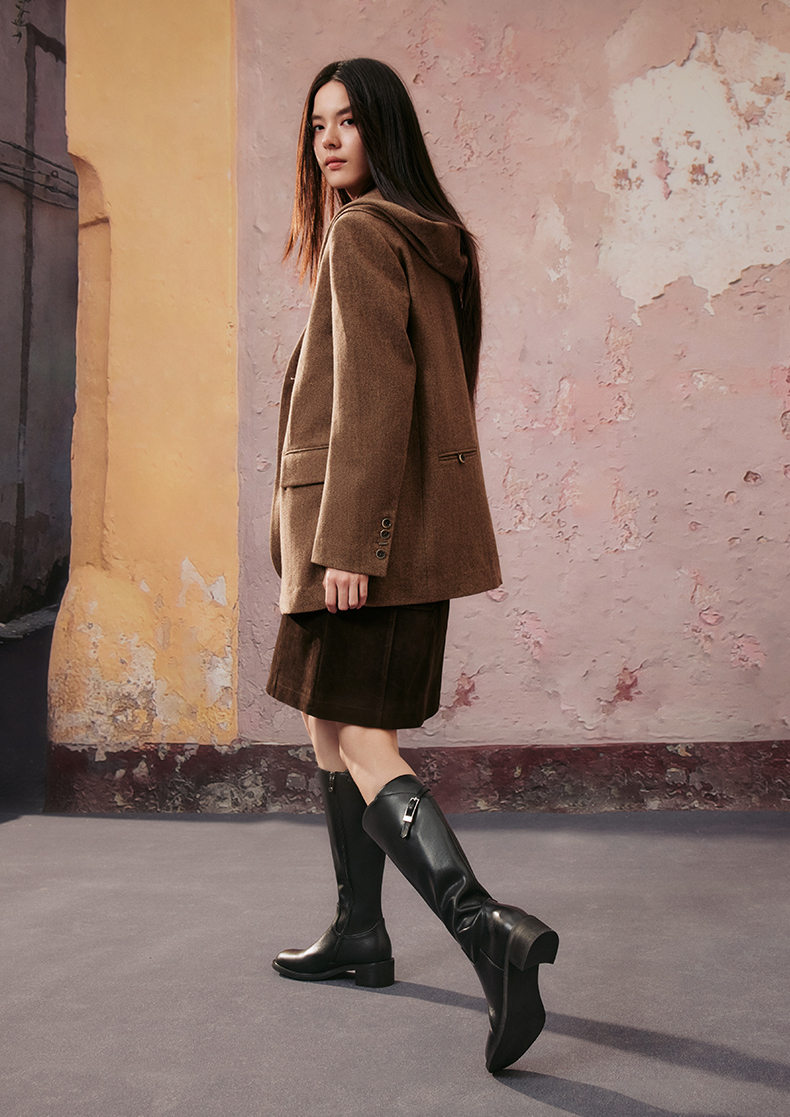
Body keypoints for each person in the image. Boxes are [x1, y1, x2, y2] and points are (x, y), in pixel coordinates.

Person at [267, 57, 558, 1074]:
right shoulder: (440, 241)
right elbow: (448, 389)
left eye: (349, 122)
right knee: (326, 720)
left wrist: (350, 542)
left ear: (384, 131)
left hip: (362, 540)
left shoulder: (362, 233)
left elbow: (376, 396)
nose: (329, 140)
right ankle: (359, 928)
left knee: (359, 735)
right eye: (318, 125)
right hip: (411, 531)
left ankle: (488, 931)